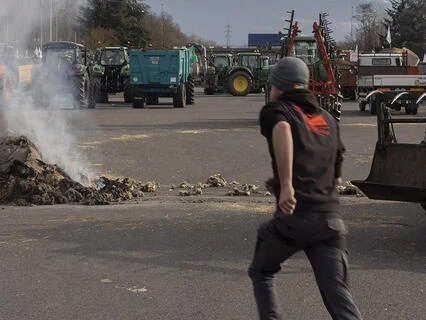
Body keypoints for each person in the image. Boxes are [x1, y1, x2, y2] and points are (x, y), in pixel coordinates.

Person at [248, 57, 363, 320]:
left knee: (261, 271)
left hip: (295, 220)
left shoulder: (278, 111)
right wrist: (278, 181)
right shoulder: (327, 119)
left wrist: (287, 185)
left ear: (279, 85)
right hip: (330, 222)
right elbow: (334, 178)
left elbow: (283, 130)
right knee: (338, 297)